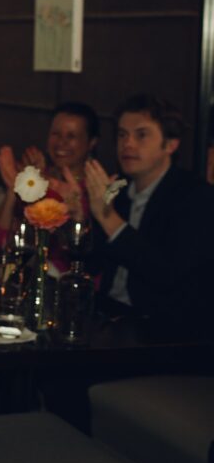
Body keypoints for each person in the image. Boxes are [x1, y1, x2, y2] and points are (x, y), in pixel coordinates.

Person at [83, 94, 214, 325]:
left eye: (141, 135)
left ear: (171, 144)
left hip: (163, 327)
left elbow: (167, 274)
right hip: (108, 313)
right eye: (122, 134)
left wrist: (108, 217)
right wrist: (78, 218)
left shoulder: (195, 197)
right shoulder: (119, 188)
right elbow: (92, 264)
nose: (128, 144)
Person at [0, 102, 99, 273]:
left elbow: (77, 256)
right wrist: (18, 185)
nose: (61, 142)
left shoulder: (96, 190)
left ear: (91, 142)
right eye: (56, 134)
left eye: (71, 136)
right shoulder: (38, 179)